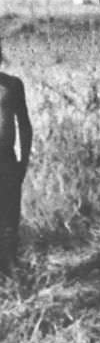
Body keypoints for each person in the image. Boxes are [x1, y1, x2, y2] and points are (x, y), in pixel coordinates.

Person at [0, 38, 32, 277]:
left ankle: (11, 268)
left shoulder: (12, 85)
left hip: (7, 159)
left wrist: (24, 162)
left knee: (10, 216)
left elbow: (25, 126)